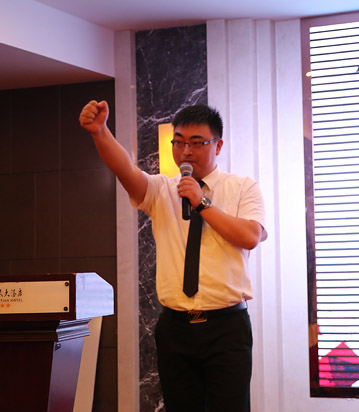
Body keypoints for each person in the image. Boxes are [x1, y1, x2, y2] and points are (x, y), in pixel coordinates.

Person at [79, 100, 267, 412]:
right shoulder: (162, 189)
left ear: (218, 145)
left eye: (196, 143)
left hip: (226, 327)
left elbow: (249, 236)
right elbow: (125, 169)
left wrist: (202, 203)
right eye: (178, 142)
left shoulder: (243, 188)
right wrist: (100, 132)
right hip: (175, 328)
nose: (186, 151)